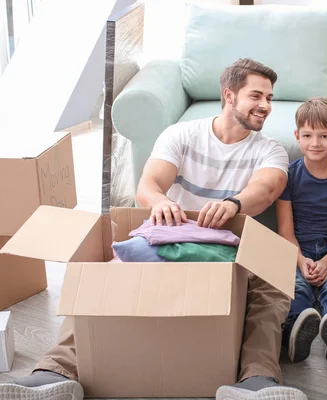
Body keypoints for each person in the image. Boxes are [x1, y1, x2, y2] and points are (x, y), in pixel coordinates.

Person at [0, 58, 307, 400]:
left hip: (227, 251)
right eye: (256, 96)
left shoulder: (270, 150)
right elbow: (148, 184)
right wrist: (159, 201)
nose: (265, 106)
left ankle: (256, 382)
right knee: (102, 281)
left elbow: (266, 189)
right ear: (229, 96)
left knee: (270, 293)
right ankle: (52, 374)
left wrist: (234, 204)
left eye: (269, 98)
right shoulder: (182, 134)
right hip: (167, 241)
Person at [277, 98, 327, 365]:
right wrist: (302, 260)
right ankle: (295, 333)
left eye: (324, 136)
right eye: (308, 135)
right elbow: (286, 231)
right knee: (298, 288)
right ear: (297, 136)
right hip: (300, 248)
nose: (315, 143)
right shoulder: (289, 176)